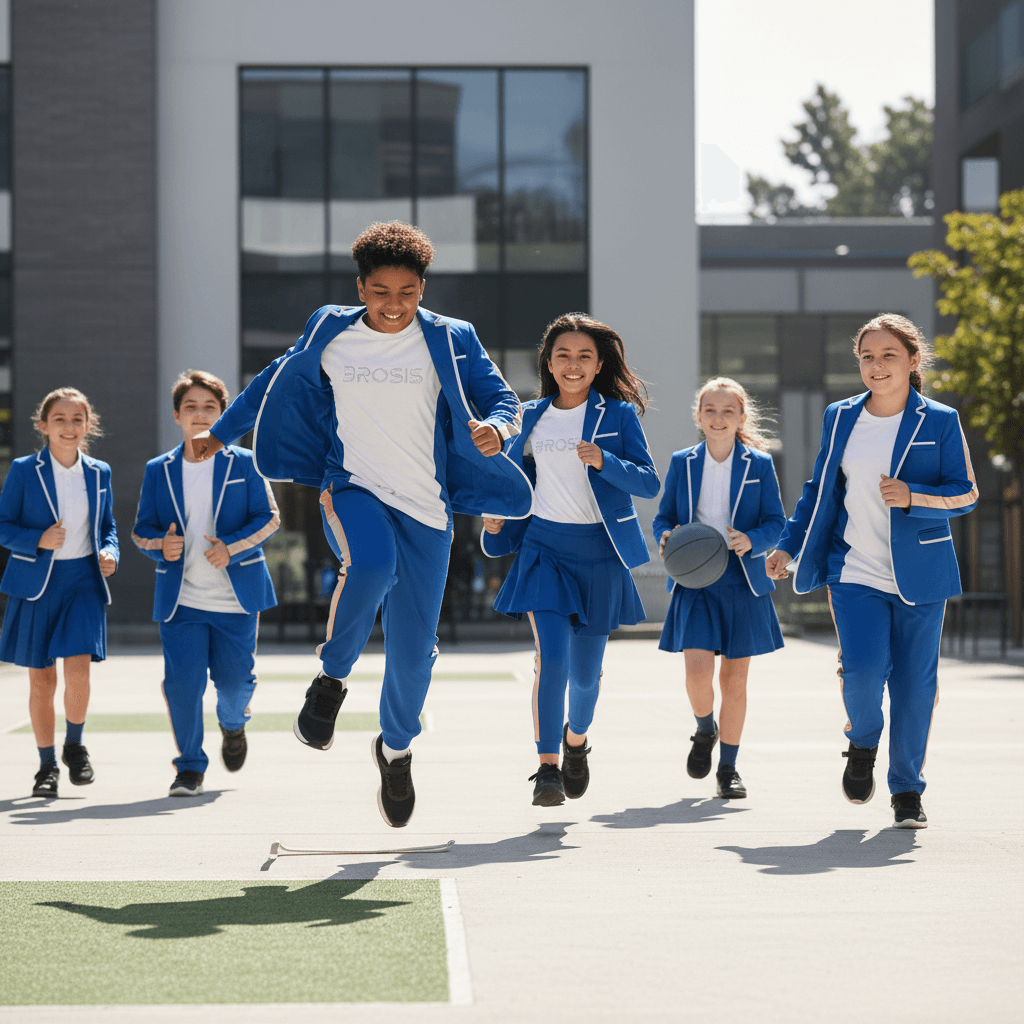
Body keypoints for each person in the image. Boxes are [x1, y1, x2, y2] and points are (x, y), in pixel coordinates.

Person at [189, 222, 531, 827]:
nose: (393, 305)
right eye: (380, 292)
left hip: (428, 507)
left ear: (422, 288)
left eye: (406, 292)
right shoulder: (331, 329)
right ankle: (331, 678)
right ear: (360, 287)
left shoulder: (452, 339)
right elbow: (273, 379)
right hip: (352, 486)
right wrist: (219, 434)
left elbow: (505, 400)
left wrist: (498, 429)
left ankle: (395, 751)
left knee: (414, 651)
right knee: (370, 565)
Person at [766, 314, 979, 828]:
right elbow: (819, 490)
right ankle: (862, 742)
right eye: (867, 356)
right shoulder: (840, 416)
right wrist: (788, 546)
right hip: (854, 570)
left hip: (921, 575)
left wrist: (914, 498)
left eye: (888, 355)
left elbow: (967, 492)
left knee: (914, 687)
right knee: (862, 673)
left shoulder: (940, 420)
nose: (877, 365)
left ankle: (907, 790)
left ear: (912, 360)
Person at [482, 314, 659, 806]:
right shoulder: (527, 415)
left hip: (600, 555)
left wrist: (606, 461)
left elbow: (648, 482)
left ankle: (576, 741)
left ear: (599, 363)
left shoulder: (618, 416)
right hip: (544, 550)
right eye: (563, 355)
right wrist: (495, 519)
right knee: (552, 660)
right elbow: (508, 482)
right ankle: (547, 769)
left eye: (584, 356)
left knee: (585, 677)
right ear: (549, 362)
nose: (573, 364)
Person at [131, 370, 280, 797]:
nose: (200, 414)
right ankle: (190, 768)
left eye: (210, 407)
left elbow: (270, 518)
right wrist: (162, 545)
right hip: (182, 603)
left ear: (223, 413)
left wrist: (230, 547)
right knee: (183, 686)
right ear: (177, 415)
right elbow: (141, 529)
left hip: (235, 601)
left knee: (234, 688)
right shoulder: (159, 470)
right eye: (191, 407)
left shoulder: (245, 462)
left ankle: (234, 726)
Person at [653, 377, 785, 799]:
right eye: (710, 410)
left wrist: (753, 540)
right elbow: (664, 517)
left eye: (728, 411)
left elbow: (776, 523)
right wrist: (666, 536)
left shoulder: (759, 464)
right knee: (697, 674)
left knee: (734, 679)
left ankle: (728, 768)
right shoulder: (682, 462)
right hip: (695, 578)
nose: (718, 418)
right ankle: (704, 727)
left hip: (742, 578)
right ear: (699, 416)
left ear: (741, 417)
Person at [0, 387, 118, 798]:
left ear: (88, 426)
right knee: (42, 681)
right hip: (36, 586)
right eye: (60, 419)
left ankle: (75, 745)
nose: (69, 427)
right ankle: (46, 765)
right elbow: (3, 526)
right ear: (44, 426)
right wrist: (38, 540)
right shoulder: (22, 470)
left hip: (83, 582)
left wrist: (110, 551)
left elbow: (108, 527)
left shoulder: (100, 472)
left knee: (79, 669)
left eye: (77, 419)